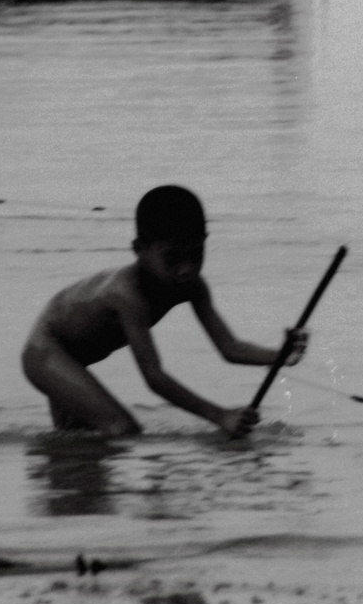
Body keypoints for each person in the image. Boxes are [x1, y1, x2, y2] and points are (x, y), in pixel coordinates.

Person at [21, 185, 305, 436]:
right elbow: (154, 378)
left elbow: (229, 347)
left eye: (196, 254)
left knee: (75, 447)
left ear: (206, 240)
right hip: (47, 349)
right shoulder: (127, 295)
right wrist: (220, 416)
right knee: (122, 428)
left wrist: (282, 356)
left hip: (73, 359)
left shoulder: (193, 286)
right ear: (138, 249)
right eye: (172, 259)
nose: (187, 269)